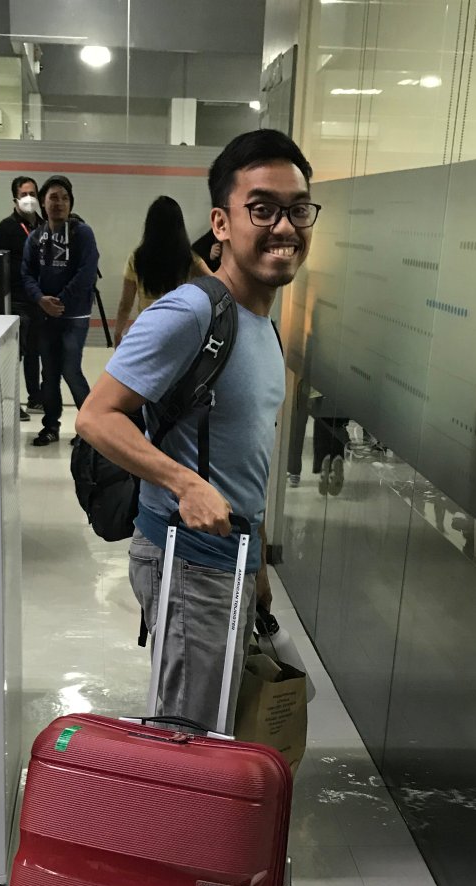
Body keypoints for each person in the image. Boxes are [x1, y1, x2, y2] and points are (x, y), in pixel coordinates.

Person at [76, 130, 317, 732]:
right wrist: (183, 483)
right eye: (261, 209)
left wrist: (258, 566)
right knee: (188, 742)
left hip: (232, 561)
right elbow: (96, 416)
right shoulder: (192, 312)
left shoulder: (262, 323)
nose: (284, 227)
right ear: (221, 223)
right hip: (189, 561)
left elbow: (244, 457)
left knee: (212, 731)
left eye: (297, 209)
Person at [22, 175, 99, 446]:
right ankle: (50, 426)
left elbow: (87, 272)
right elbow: (26, 274)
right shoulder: (36, 237)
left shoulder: (82, 233)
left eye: (65, 198)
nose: (59, 203)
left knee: (70, 370)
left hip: (74, 316)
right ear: (43, 203)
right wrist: (41, 299)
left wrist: (60, 300)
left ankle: (91, 430)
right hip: (46, 316)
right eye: (53, 197)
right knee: (50, 374)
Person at [113, 197, 210, 347]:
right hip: (180, 329)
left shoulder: (137, 258)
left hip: (148, 330)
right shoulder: (188, 258)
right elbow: (216, 284)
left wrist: (118, 334)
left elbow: (125, 305)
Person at [0, 175, 44, 422]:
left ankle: (35, 397)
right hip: (17, 299)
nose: (29, 199)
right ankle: (12, 403)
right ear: (15, 198)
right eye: (24, 194)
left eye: (32, 194)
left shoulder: (44, 226)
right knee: (16, 354)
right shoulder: (7, 227)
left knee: (35, 351)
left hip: (40, 299)